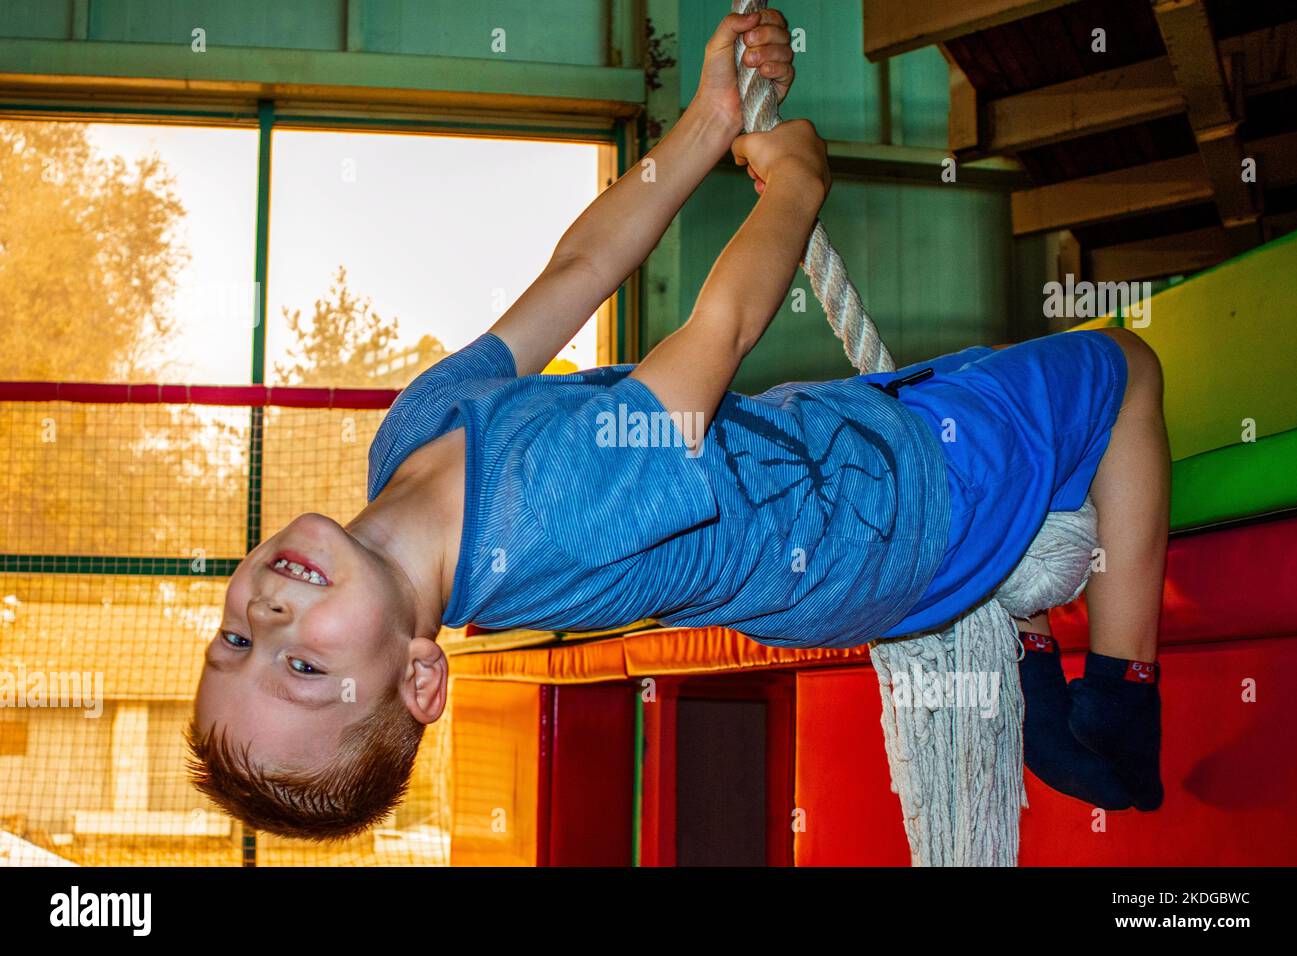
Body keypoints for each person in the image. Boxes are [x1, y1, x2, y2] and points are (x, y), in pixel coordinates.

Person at [188, 8, 1166, 839]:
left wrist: (708, 122)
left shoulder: (406, 438)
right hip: (878, 517)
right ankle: (1119, 702)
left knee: (1005, 415)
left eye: (231, 640)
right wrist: (795, 183)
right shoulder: (543, 516)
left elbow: (575, 274)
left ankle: (1030, 657)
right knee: (1122, 370)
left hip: (820, 463)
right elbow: (722, 330)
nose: (266, 618)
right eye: (304, 664)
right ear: (418, 678)